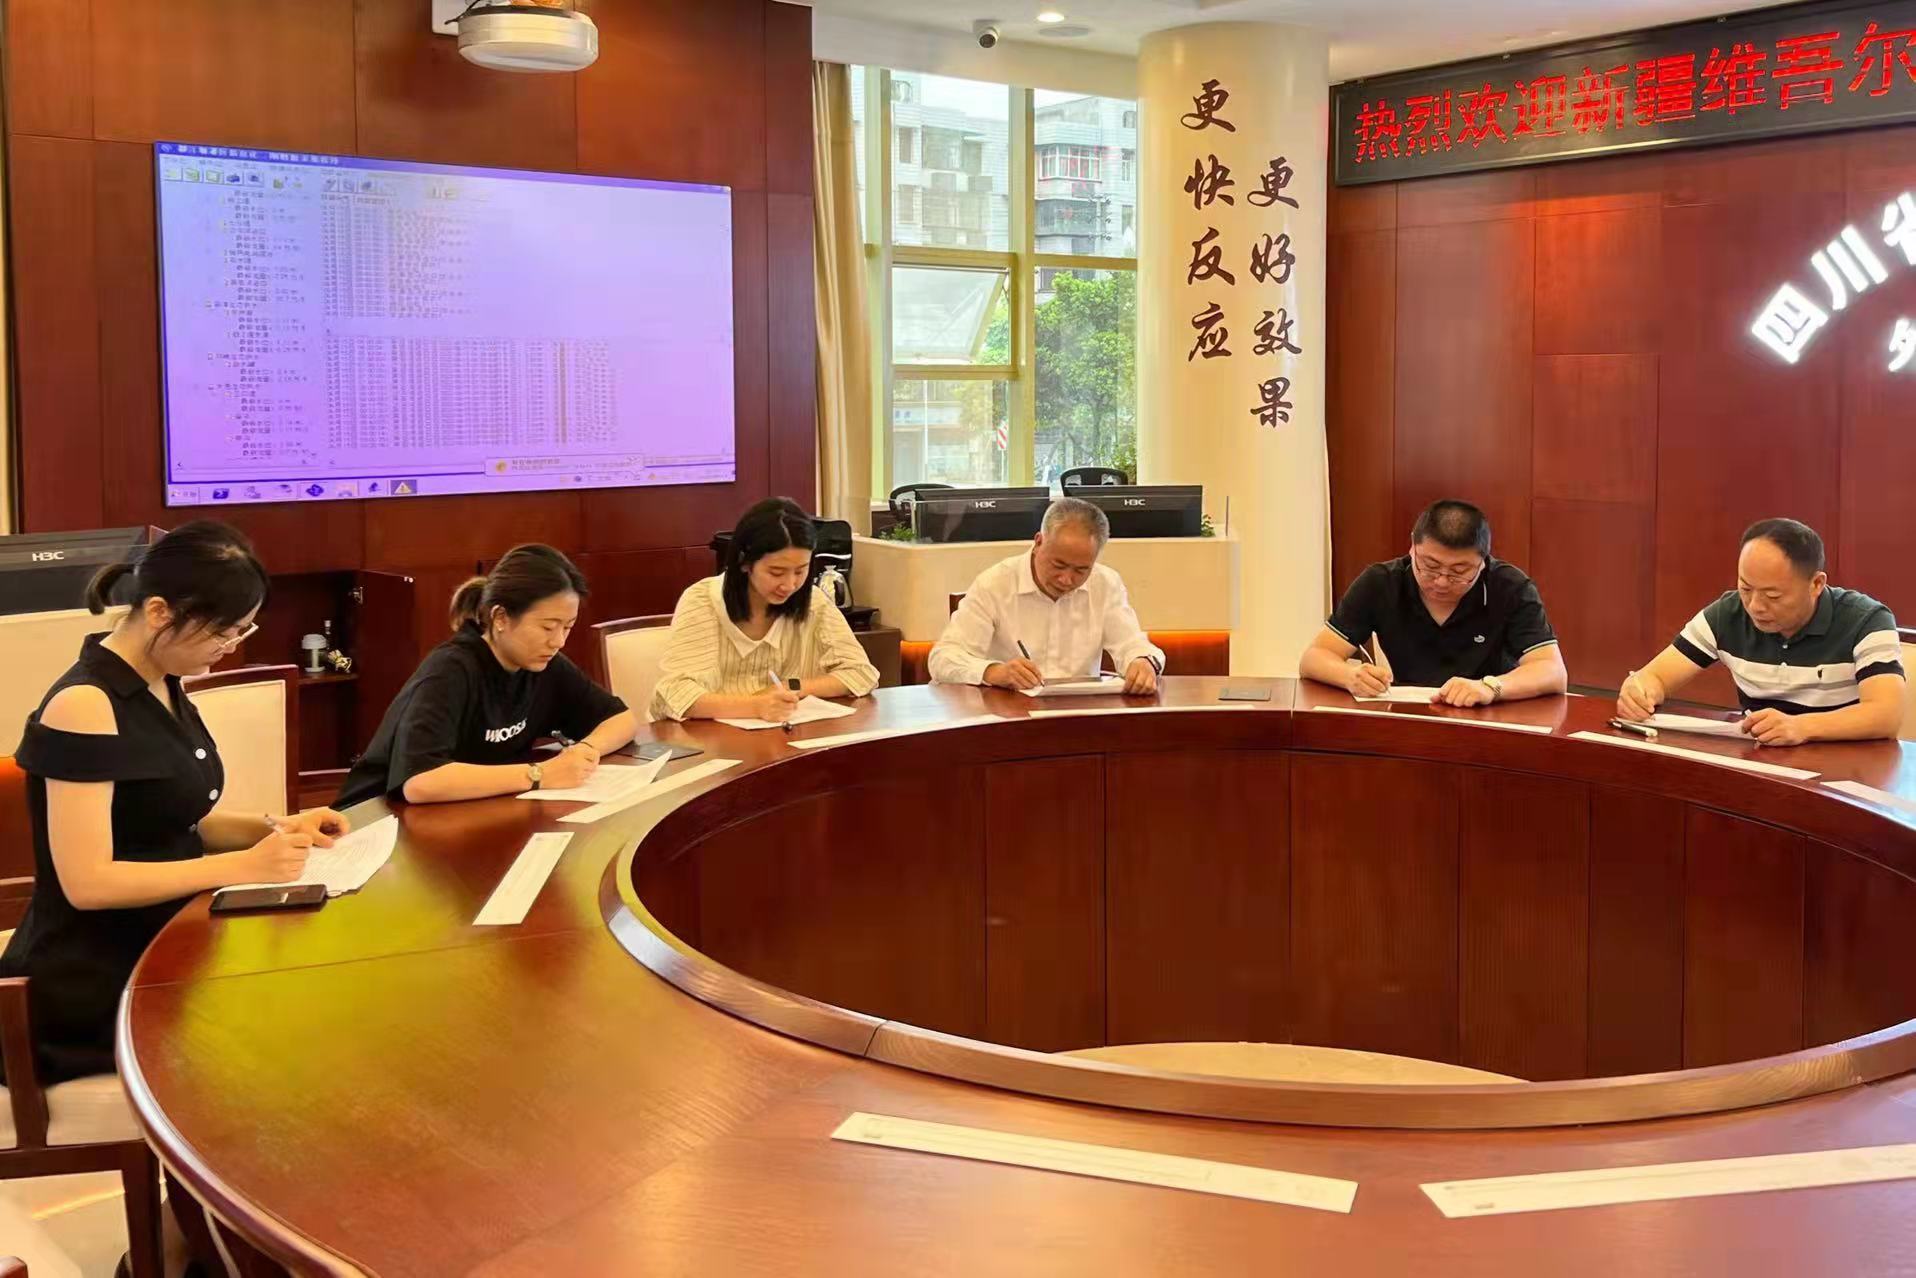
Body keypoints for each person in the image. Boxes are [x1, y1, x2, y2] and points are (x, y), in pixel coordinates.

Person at [0, 521, 349, 1086]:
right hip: (96, 978)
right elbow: (87, 883)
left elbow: (174, 818)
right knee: (275, 1055)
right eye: (222, 633)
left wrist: (275, 828)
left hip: (165, 941)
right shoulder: (85, 704)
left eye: (241, 630)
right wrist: (241, 866)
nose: (230, 647)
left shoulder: (162, 679)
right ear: (160, 612)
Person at [337, 544, 634, 806]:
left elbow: (620, 719)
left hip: (465, 813)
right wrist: (540, 774)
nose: (558, 641)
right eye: (547, 627)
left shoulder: (546, 665)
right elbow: (421, 782)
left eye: (567, 627)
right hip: (376, 822)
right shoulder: (450, 670)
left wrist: (583, 752)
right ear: (500, 617)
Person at [1618, 518, 1904, 745]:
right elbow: (1655, 677)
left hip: (1848, 769)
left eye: (1773, 596)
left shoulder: (1866, 620)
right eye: (1746, 588)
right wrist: (1639, 692)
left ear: (1816, 584)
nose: (1755, 606)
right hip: (1763, 761)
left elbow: (1886, 714)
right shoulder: (1728, 614)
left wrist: (1801, 727)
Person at [1299, 499, 1567, 705]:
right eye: (1429, 566)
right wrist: (1350, 676)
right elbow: (1314, 658)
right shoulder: (1381, 582)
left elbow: (1552, 671)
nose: (1441, 581)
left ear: (1483, 562)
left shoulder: (1510, 588)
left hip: (1491, 717)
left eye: (1459, 572)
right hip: (1410, 714)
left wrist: (1490, 687)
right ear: (1412, 547)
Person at [652, 498, 880, 722]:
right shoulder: (703, 602)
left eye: (800, 571)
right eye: (776, 572)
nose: (789, 585)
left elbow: (861, 673)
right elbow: (675, 694)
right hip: (710, 739)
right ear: (745, 562)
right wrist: (755, 706)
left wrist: (793, 687)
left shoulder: (814, 602)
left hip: (786, 738)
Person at [929, 496, 1164, 694]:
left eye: (1081, 570)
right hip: (1008, 716)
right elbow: (943, 659)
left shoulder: (1105, 583)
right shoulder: (995, 584)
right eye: (1058, 565)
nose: (1066, 580)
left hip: (1078, 715)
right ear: (1038, 542)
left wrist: (1142, 662)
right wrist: (994, 672)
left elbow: (1131, 644)